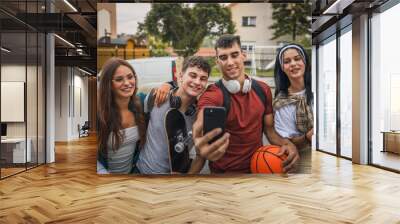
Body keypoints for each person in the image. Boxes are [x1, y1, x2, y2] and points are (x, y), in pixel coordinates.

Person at [192, 34, 299, 173]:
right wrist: (198, 140)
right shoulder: (213, 94)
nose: (230, 62)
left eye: (234, 55)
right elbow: (199, 123)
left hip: (258, 169)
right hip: (224, 176)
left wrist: (288, 144)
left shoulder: (263, 89)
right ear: (217, 62)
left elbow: (270, 131)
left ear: (243, 55)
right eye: (223, 57)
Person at [136, 56, 211, 174]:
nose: (197, 82)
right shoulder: (157, 97)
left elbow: (201, 157)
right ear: (180, 76)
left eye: (203, 78)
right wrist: (167, 85)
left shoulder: (199, 117)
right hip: (142, 172)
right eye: (193, 75)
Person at [97, 57, 171, 174]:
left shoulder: (141, 102)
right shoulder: (99, 113)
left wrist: (167, 85)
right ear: (108, 84)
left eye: (130, 77)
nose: (127, 83)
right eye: (119, 79)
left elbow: (172, 87)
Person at [273, 44, 313, 173]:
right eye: (287, 61)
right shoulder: (281, 102)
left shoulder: (323, 87)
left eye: (297, 59)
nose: (293, 64)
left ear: (305, 61)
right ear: (282, 68)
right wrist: (307, 136)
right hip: (306, 157)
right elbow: (291, 142)